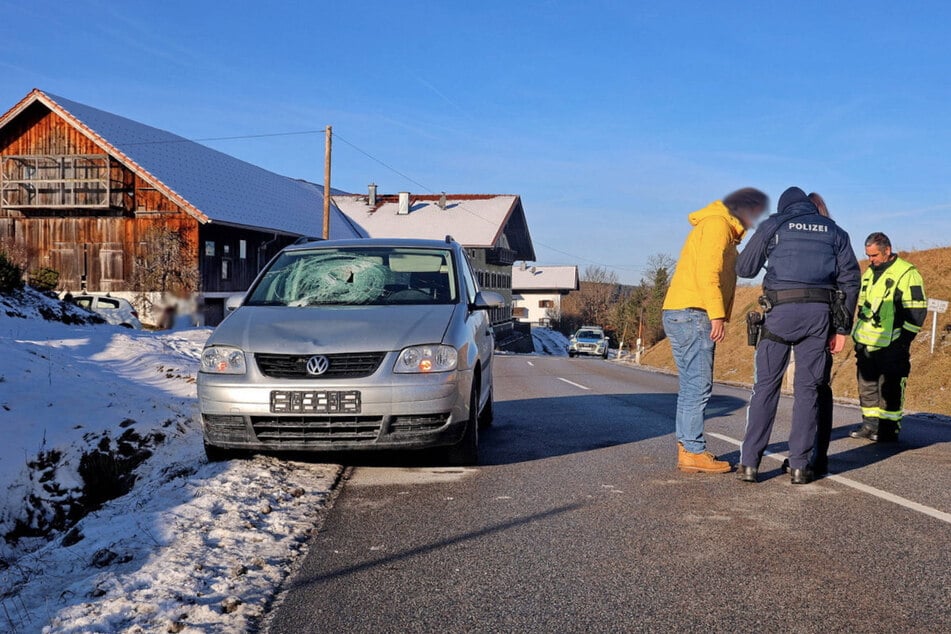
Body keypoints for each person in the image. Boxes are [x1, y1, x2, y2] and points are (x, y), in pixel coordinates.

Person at [735, 187, 860, 484]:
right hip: (818, 318)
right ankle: (801, 466)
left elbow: (745, 267)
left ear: (784, 207)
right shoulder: (835, 231)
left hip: (780, 314)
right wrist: (842, 329)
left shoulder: (774, 224)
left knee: (766, 387)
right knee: (808, 391)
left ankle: (750, 463)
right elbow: (851, 280)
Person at [662, 188, 768, 473]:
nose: (754, 221)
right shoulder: (717, 225)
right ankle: (692, 450)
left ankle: (688, 449)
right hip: (694, 312)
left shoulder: (718, 226)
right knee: (698, 386)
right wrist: (717, 315)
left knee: (691, 386)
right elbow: (708, 272)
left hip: (684, 311)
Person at [850, 233, 928, 443]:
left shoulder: (907, 273)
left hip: (892, 344)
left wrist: (902, 341)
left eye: (874, 255)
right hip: (867, 342)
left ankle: (888, 429)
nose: (871, 260)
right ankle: (870, 425)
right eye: (868, 255)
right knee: (867, 386)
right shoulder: (869, 273)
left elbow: (917, 311)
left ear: (887, 250)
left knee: (890, 389)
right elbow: (863, 306)